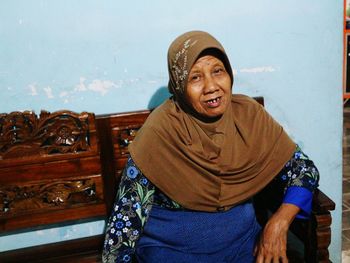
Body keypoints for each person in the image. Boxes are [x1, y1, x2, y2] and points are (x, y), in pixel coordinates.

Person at [102, 31, 319, 263]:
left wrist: (279, 222)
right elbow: (126, 219)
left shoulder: (249, 115)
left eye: (218, 71)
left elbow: (304, 169)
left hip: (244, 245)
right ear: (179, 85)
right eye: (195, 78)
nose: (211, 86)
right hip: (174, 252)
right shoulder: (160, 131)